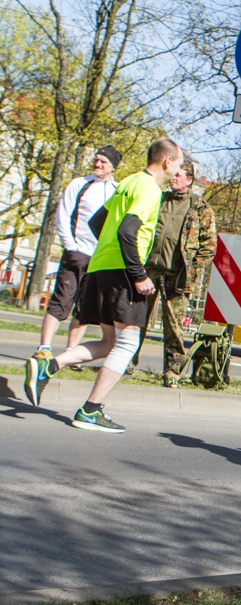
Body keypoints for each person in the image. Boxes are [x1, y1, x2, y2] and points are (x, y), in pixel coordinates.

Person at [24, 139, 183, 432]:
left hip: (101, 266)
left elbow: (97, 221)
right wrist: (138, 274)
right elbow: (127, 231)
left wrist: (108, 250)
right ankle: (90, 410)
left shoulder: (129, 181)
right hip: (123, 271)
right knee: (127, 343)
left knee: (109, 343)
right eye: (179, 163)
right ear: (167, 161)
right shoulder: (150, 189)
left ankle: (49, 366)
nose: (179, 170)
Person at [132, 158, 216, 385]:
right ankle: (127, 361)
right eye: (173, 174)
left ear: (189, 180)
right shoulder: (159, 199)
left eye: (178, 175)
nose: (173, 178)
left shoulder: (200, 208)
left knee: (174, 326)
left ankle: (172, 371)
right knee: (137, 319)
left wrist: (192, 270)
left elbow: (209, 246)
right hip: (149, 270)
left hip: (177, 275)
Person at [32, 146, 121, 360]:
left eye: (103, 162)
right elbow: (63, 215)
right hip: (77, 253)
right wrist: (70, 246)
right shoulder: (79, 184)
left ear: (113, 167)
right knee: (61, 300)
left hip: (99, 258)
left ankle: (71, 353)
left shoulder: (117, 190)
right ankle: (44, 347)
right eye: (96, 160)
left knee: (83, 308)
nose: (98, 164)